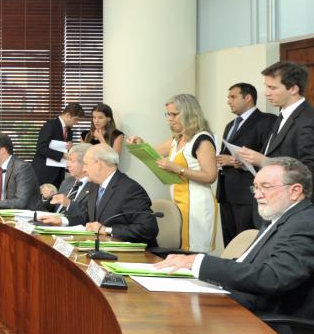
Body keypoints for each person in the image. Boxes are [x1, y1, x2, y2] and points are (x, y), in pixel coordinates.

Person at [156, 158, 314, 322]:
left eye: (266, 187)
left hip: (266, 320)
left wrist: (199, 263)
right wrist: (195, 267)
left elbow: (272, 277)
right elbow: (247, 265)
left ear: (295, 191)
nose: (257, 195)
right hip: (241, 303)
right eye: (256, 188)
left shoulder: (305, 223)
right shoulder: (279, 218)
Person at [127, 94, 217, 252]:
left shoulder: (202, 140)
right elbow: (153, 154)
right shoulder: (176, 139)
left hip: (197, 204)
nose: (170, 119)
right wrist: (140, 143)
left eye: (174, 114)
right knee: (179, 249)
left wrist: (178, 169)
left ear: (189, 113)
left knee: (193, 250)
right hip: (178, 201)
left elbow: (210, 176)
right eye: (168, 114)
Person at [39, 144, 159, 246]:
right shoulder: (96, 186)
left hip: (133, 256)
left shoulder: (129, 189)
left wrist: (107, 230)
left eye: (86, 164)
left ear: (99, 164)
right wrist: (62, 221)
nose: (84, 170)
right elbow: (87, 218)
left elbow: (148, 229)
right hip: (101, 247)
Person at [215, 83, 276, 245]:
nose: (228, 101)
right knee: (230, 243)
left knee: (246, 242)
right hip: (226, 192)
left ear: (248, 97)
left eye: (233, 97)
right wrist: (220, 160)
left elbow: (271, 156)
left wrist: (236, 161)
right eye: (228, 97)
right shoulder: (230, 125)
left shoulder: (267, 120)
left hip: (248, 193)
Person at [237, 61, 314, 187]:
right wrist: (248, 162)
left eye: (272, 88)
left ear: (293, 89)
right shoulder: (283, 115)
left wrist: (265, 161)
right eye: (266, 87)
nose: (266, 93)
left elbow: (309, 170)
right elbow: (272, 153)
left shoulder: (308, 119)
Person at [0, 133, 40, 210]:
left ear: (2, 150)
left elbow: (21, 202)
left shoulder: (22, 167)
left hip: (23, 214)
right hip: (1, 213)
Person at [32, 103, 84, 187]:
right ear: (67, 115)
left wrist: (70, 148)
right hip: (43, 173)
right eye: (76, 119)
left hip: (59, 174)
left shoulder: (69, 131)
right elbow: (41, 148)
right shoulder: (51, 125)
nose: (77, 122)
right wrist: (62, 155)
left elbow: (65, 150)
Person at [39, 143, 92, 219]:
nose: (67, 165)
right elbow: (51, 209)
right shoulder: (67, 182)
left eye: (72, 161)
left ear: (85, 163)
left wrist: (69, 204)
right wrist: (47, 198)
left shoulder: (95, 186)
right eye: (67, 160)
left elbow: (89, 217)